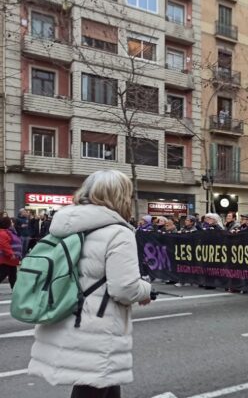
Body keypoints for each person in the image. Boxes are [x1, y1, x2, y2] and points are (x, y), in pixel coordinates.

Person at [28, 170, 151, 398]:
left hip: (67, 313)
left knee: (103, 384)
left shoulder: (64, 225)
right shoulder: (118, 232)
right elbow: (124, 288)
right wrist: (146, 289)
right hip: (97, 325)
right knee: (93, 386)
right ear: (119, 196)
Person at [0, 216, 20, 289]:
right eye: (10, 222)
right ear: (6, 223)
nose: (12, 223)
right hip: (6, 259)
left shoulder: (9, 232)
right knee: (3, 275)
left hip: (11, 260)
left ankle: (16, 293)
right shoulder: (3, 233)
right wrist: (11, 254)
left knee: (13, 278)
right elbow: (4, 244)